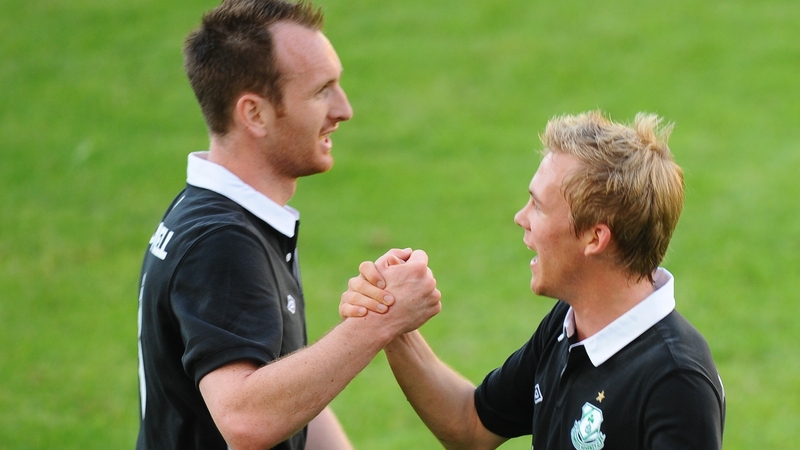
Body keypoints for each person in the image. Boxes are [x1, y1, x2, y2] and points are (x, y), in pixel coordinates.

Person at [136, 1, 442, 449]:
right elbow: (245, 418)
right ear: (254, 114)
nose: (345, 109)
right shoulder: (222, 240)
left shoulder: (226, 215)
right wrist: (379, 322)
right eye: (321, 91)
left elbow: (278, 385)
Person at [341, 111, 726, 449]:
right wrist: (391, 320)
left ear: (595, 237)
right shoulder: (569, 325)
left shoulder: (676, 381)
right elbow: (470, 425)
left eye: (538, 206)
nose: (520, 218)